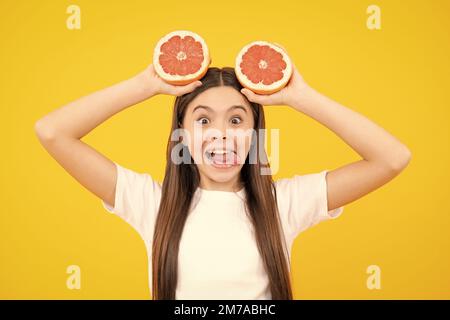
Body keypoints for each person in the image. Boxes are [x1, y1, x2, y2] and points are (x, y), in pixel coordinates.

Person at [35, 58, 411, 300]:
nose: (220, 134)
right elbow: (53, 131)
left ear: (254, 134)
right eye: (202, 120)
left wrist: (302, 97)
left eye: (236, 120)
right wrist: (145, 84)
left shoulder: (286, 204)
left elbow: (392, 158)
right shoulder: (150, 202)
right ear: (180, 136)